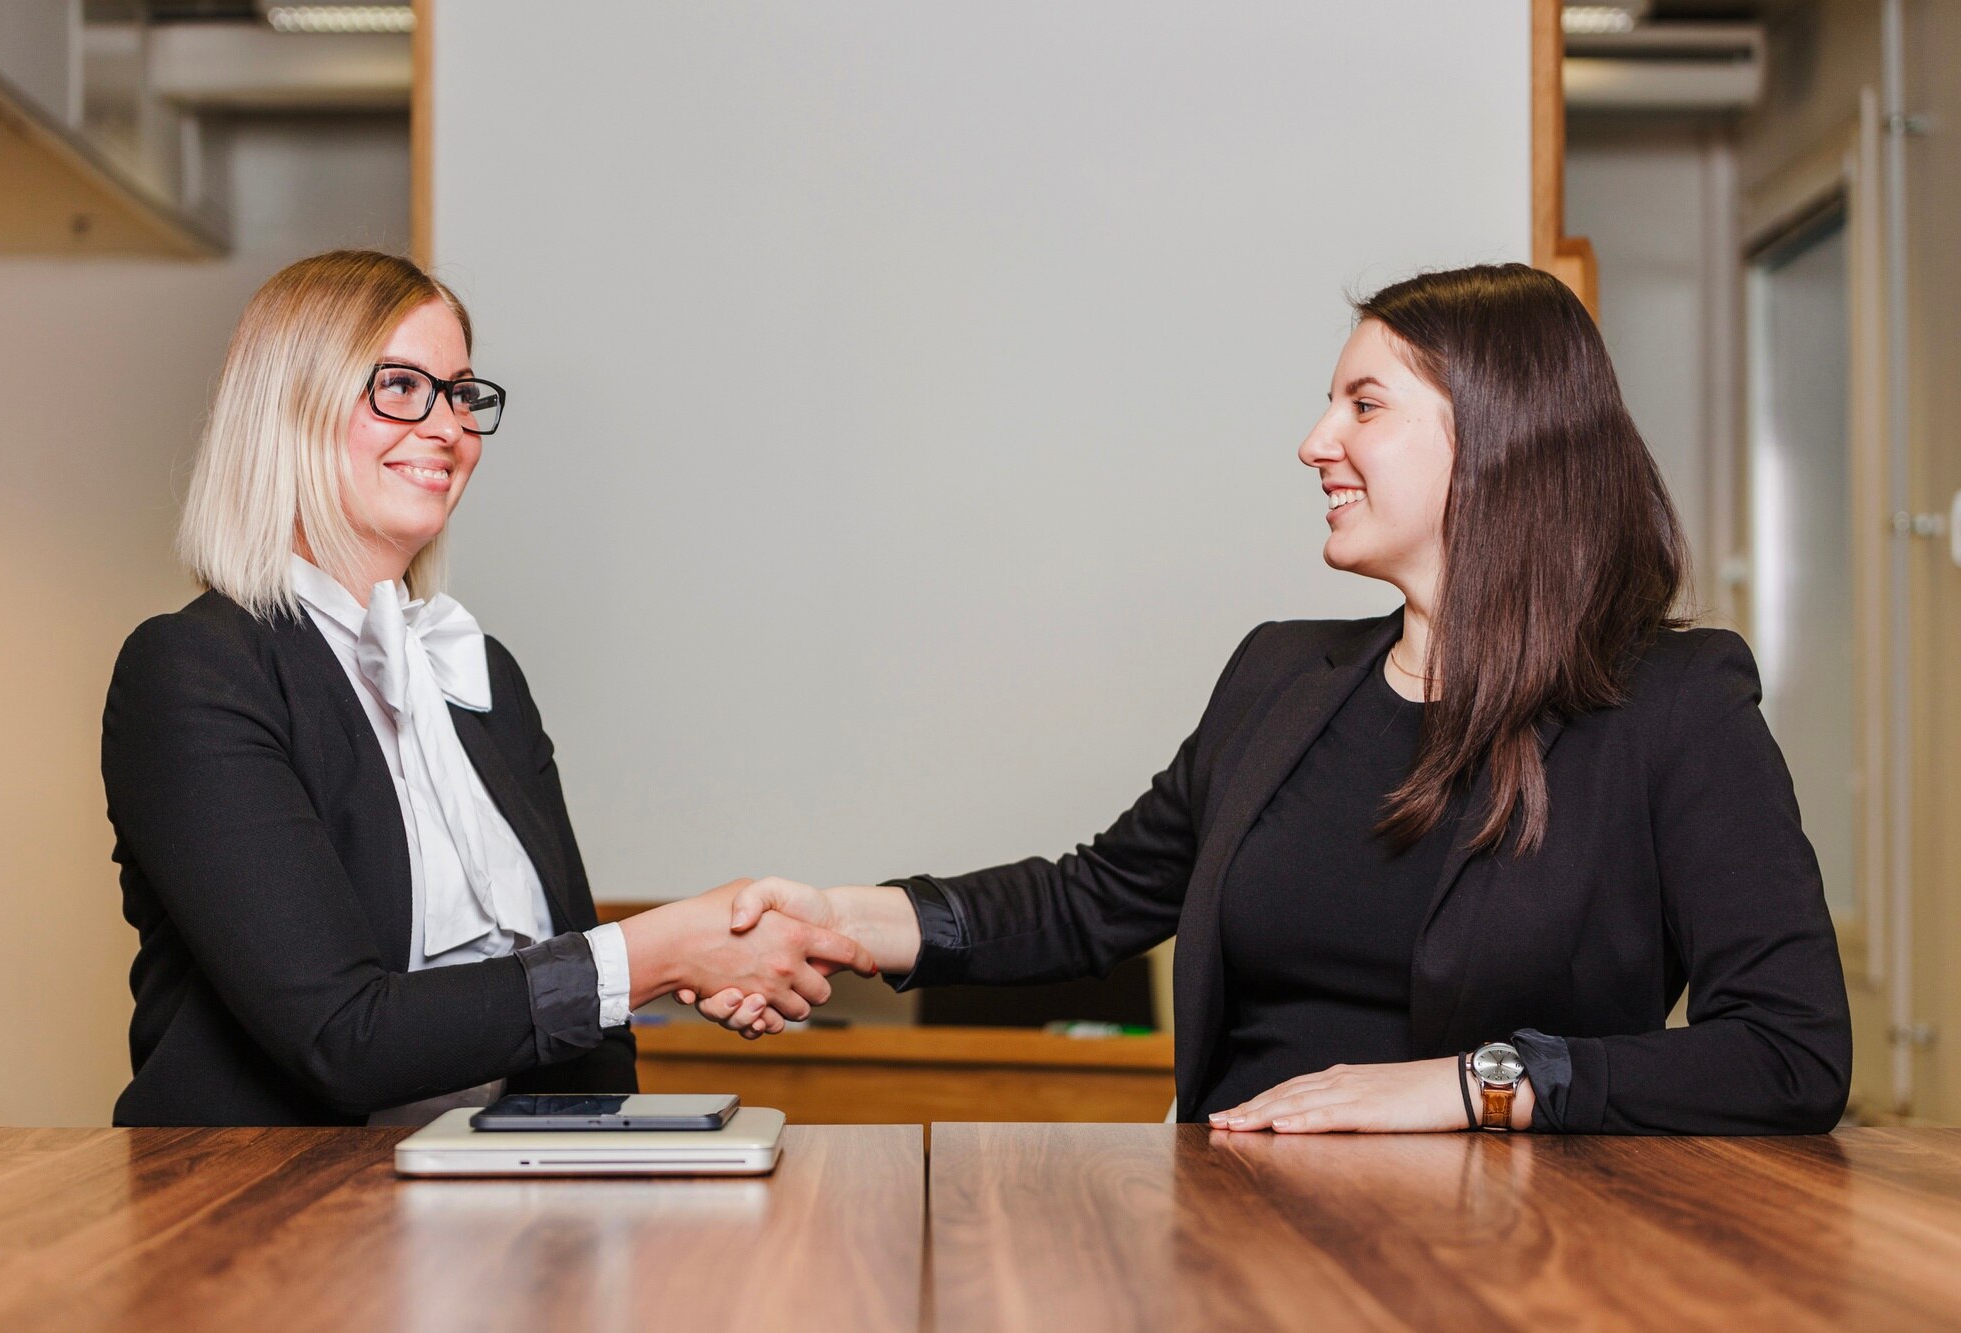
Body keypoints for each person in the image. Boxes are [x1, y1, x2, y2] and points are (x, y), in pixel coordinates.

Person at [685, 263, 1853, 1135]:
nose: (1312, 443)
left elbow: (1789, 1052)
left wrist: (1472, 1086)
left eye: (1362, 404)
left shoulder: (1673, 706)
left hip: (1514, 1261)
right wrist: (842, 916)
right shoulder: (1279, 674)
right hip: (1232, 1233)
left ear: (1495, 438)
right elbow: (1089, 899)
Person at [104, 250, 869, 1127]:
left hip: (488, 1216)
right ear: (288, 408)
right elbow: (341, 1037)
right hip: (260, 1222)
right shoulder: (193, 671)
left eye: (462, 393)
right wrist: (659, 953)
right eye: (400, 385)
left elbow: (592, 1035)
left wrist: (591, 1211)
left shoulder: (479, 671)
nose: (447, 427)